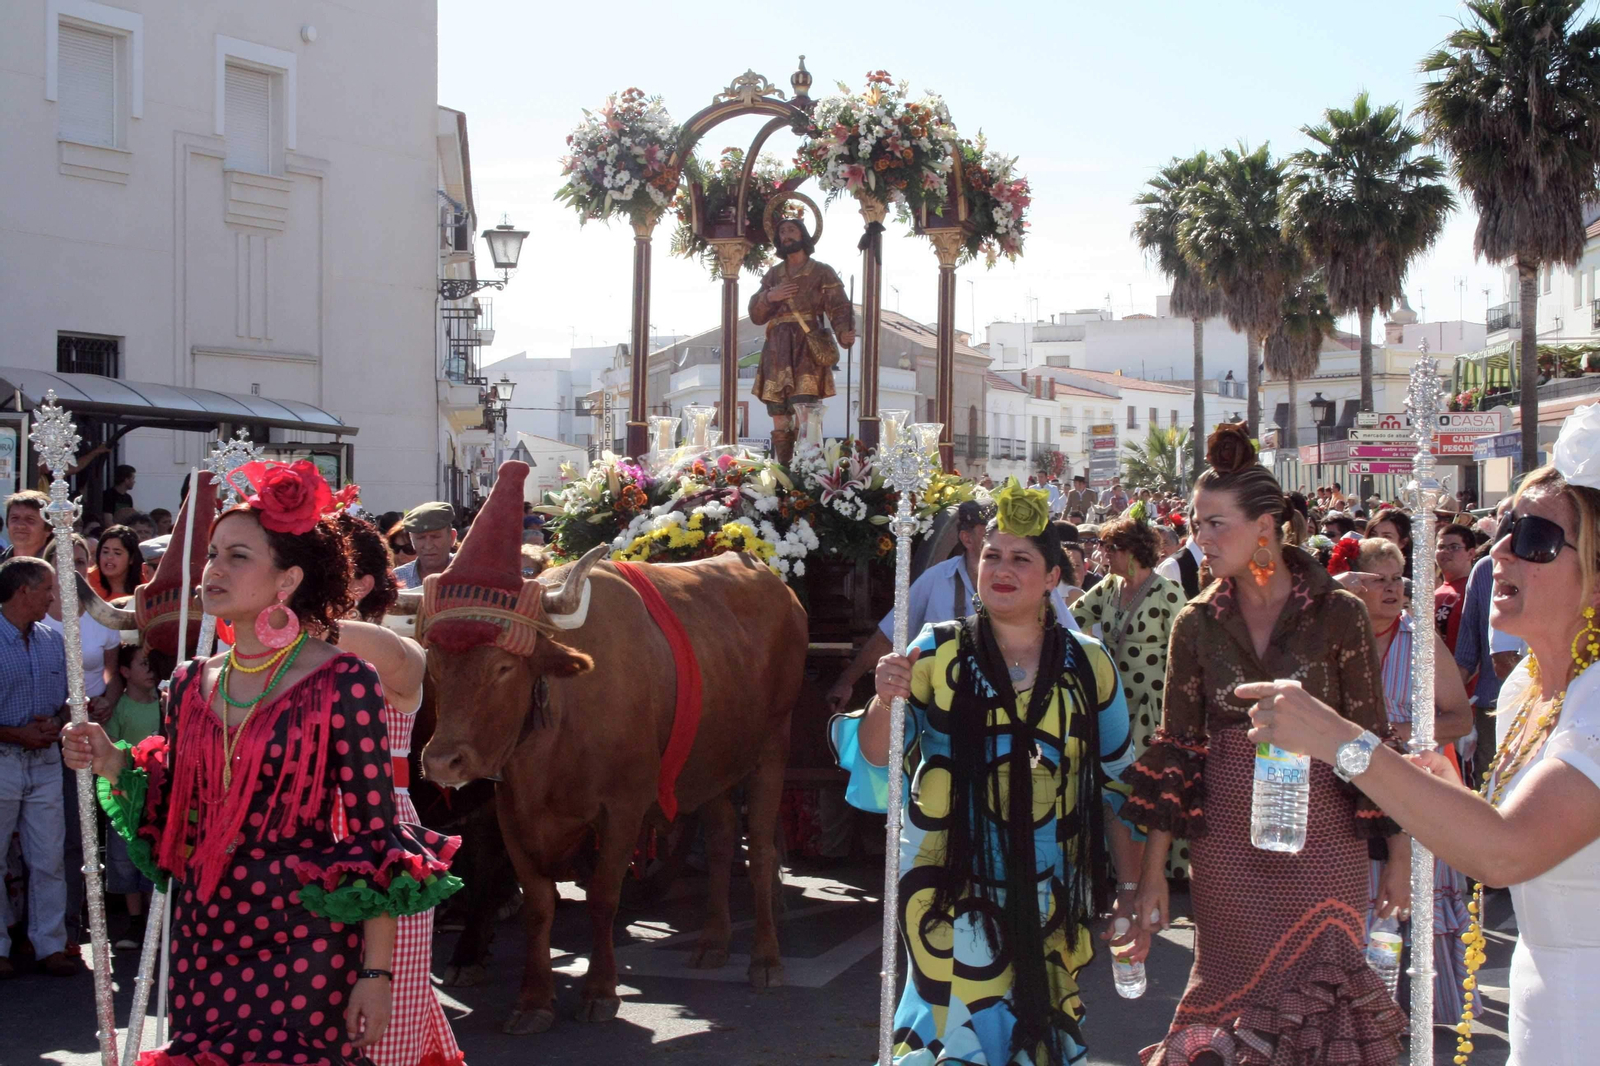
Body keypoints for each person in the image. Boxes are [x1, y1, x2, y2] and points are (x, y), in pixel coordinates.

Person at [62, 459, 461, 1064]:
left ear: (288, 579)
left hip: (304, 936)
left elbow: (375, 836)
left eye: (237, 556)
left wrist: (375, 974)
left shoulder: (343, 678)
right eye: (212, 555)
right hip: (203, 932)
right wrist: (111, 762)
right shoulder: (188, 683)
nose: (214, 569)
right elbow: (176, 817)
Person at [1243, 405, 1600, 1066]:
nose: (1501, 551)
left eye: (1536, 539)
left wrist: (1343, 741)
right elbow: (1505, 832)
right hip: (1543, 1011)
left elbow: (1506, 852)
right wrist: (1436, 787)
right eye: (1508, 527)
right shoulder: (1525, 690)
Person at [831, 479, 1144, 1064]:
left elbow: (1118, 782)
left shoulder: (1087, 661)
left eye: (1021, 559)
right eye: (992, 555)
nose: (1001, 569)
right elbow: (876, 759)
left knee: (1039, 1021)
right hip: (945, 869)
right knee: (957, 1025)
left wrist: (1130, 891)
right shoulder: (936, 649)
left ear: (1053, 577)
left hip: (1053, 874)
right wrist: (883, 698)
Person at [1124, 424, 1407, 1066]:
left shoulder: (1340, 613)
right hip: (1226, 848)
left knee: (1324, 998)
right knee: (1226, 999)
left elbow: (1371, 741)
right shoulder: (1195, 621)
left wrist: (1397, 856)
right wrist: (1151, 876)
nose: (1200, 537)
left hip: (1325, 841)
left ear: (1264, 528)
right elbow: (1178, 751)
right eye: (1196, 523)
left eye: (1215, 524)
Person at [330, 512, 463, 1066]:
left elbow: (327, 638)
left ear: (361, 585)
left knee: (389, 1012)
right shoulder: (279, 649)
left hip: (381, 829)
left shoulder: (394, 651)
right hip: (296, 830)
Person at [1340, 537, 1474, 1025]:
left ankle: (1413, 1015)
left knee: (1411, 905)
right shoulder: (1336, 639)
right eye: (1378, 579)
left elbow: (1460, 718)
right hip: (1346, 794)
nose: (1392, 588)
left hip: (1414, 791)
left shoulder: (1421, 641)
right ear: (1354, 585)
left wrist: (1402, 733)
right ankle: (1358, 1018)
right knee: (1358, 908)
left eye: (1398, 579)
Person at [824, 499, 1076, 714]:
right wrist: (847, 681)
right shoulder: (935, 580)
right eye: (988, 529)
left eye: (1019, 558)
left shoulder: (1033, 584)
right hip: (948, 712)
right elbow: (889, 635)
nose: (1001, 531)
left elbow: (1071, 641)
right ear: (966, 538)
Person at [1072, 512, 1190, 880]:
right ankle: (1120, 865)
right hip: (1113, 702)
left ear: (1132, 551)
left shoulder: (1167, 592)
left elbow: (1187, 650)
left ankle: (1162, 869)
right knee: (1116, 781)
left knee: (1150, 784)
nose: (1103, 554)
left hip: (1154, 707)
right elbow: (1071, 617)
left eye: (1110, 547)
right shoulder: (1108, 586)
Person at [0, 556, 75, 978]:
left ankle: (51, 945)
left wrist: (59, 720)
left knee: (49, 858)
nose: (52, 597)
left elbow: (67, 700)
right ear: (23, 591)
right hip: (3, 760)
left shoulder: (52, 641)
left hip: (45, 762)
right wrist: (16, 734)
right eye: (47, 589)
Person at [747, 216, 856, 464]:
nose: (786, 236)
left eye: (791, 230)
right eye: (782, 232)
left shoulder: (821, 271)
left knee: (805, 410)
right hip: (777, 348)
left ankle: (807, 469)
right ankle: (783, 469)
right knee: (779, 412)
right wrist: (770, 296)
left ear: (803, 235)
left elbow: (839, 306)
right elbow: (755, 314)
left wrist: (843, 332)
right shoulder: (774, 274)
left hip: (806, 346)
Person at [104, 641, 172, 951]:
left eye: (151, 664)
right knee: (126, 856)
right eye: (142, 664)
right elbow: (112, 748)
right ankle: (135, 920)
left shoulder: (164, 703)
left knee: (155, 853)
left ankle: (155, 921)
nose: (150, 670)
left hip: (159, 792)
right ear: (124, 671)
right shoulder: (119, 708)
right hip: (128, 792)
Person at [393, 503, 455, 589]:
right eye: (420, 538)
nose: (428, 546)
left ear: (452, 537)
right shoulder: (398, 578)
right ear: (411, 540)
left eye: (435, 536)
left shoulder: (469, 573)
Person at [1435, 522, 1476, 652]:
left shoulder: (1476, 590)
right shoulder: (1434, 594)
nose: (1446, 551)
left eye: (1454, 547)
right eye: (1441, 547)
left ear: (1470, 553)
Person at [88, 524, 151, 599]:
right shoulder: (86, 581)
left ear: (131, 558)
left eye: (117, 553)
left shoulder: (147, 583)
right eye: (105, 552)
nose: (109, 557)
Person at [1365, 507, 1414, 581]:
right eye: (1373, 534)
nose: (1378, 540)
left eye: (1387, 536)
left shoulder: (1414, 576)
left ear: (1403, 543)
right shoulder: (1356, 565)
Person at [1, 491, 51, 561]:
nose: (20, 525)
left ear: (48, 529)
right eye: (15, 518)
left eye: (30, 519)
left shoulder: (61, 564)